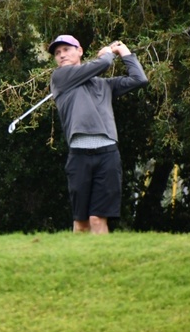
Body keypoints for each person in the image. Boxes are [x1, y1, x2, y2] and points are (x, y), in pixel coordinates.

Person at [49, 34, 148, 234]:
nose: (61, 55)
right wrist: (108, 52)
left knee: (97, 219)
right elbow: (103, 63)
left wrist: (124, 51)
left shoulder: (104, 85)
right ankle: (78, 255)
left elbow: (139, 79)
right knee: (81, 223)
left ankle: (101, 254)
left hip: (107, 154)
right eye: (57, 53)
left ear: (80, 51)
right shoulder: (60, 77)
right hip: (79, 156)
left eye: (66, 50)